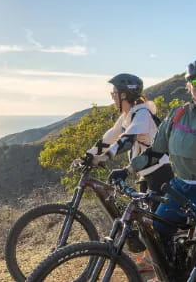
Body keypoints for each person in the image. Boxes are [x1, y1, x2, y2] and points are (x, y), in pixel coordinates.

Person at [128, 59, 196, 280]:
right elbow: (155, 153)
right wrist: (128, 169)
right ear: (188, 85)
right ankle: (171, 274)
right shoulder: (178, 114)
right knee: (158, 232)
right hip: (181, 187)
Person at [73, 73, 174, 204]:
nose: (112, 97)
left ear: (124, 95)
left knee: (157, 221)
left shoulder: (142, 114)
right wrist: (87, 156)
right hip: (145, 174)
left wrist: (104, 157)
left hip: (160, 175)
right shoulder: (127, 116)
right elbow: (107, 139)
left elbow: (127, 139)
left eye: (114, 93)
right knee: (143, 218)